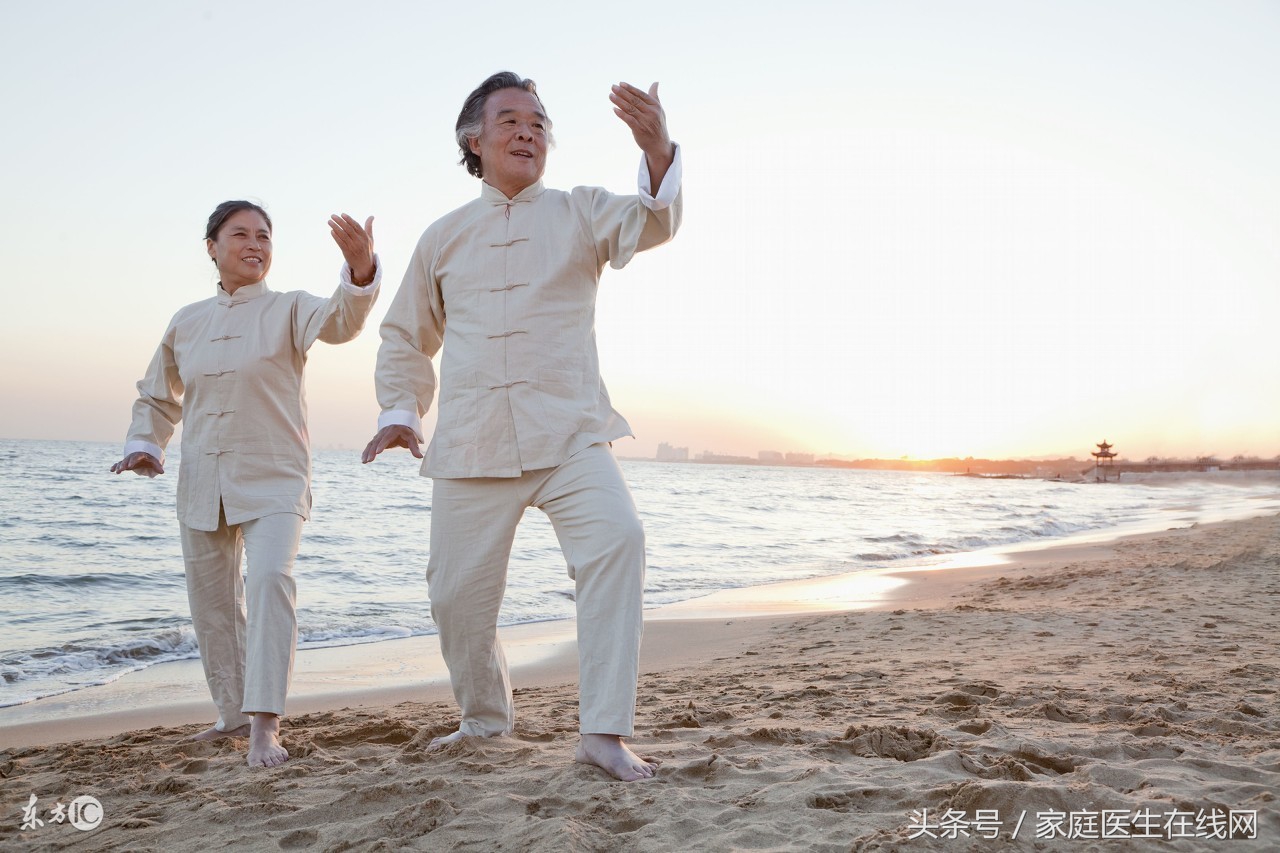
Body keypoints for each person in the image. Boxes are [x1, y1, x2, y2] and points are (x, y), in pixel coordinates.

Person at [362, 71, 681, 781]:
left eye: (538, 121)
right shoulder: (442, 237)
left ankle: (602, 732)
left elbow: (652, 219)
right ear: (473, 142)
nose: (528, 130)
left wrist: (657, 149)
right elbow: (405, 335)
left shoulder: (581, 211)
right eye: (509, 120)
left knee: (618, 539)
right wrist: (400, 411)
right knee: (454, 599)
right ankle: (483, 717)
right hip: (472, 442)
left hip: (570, 433)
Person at [111, 200, 381, 767]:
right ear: (212, 246)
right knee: (212, 606)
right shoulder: (187, 319)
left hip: (276, 479)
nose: (255, 244)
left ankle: (265, 727)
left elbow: (341, 320)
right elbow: (158, 394)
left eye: (264, 235)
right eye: (240, 234)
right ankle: (231, 714)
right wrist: (145, 445)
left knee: (269, 584)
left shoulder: (289, 309)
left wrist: (360, 271)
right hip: (202, 483)